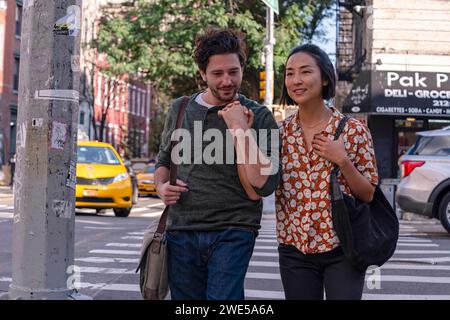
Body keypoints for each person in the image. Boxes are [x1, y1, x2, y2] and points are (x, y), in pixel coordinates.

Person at [154, 28, 280, 300]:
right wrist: (161, 187)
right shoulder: (181, 109)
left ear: (242, 69)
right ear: (202, 74)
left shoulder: (259, 116)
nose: (227, 80)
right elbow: (163, 160)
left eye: (233, 72)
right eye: (217, 73)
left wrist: (239, 128)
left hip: (234, 230)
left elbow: (264, 183)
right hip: (181, 229)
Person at [275, 44, 379, 300]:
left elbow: (368, 194)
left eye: (305, 72)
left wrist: (343, 160)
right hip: (294, 249)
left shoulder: (353, 130)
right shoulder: (279, 134)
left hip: (343, 248)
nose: (296, 80)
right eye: (289, 73)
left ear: (324, 78)